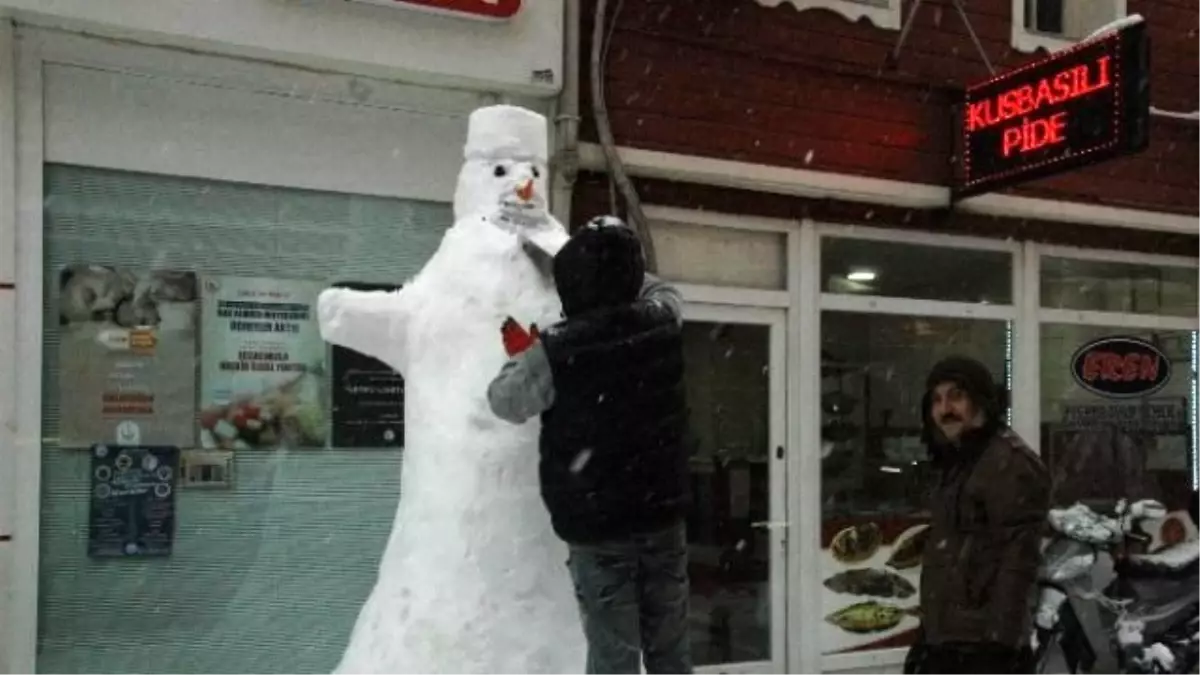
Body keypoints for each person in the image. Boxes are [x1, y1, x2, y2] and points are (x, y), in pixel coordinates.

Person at [487, 215, 692, 675]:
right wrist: (621, 269)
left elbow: (504, 401)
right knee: (671, 654)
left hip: (599, 529)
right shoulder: (662, 322)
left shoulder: (559, 348)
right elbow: (665, 293)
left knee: (613, 659)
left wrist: (527, 354)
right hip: (663, 519)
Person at [904, 356, 1051, 675]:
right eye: (938, 399)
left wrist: (1000, 647)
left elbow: (1019, 560)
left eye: (957, 396)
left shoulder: (1007, 464)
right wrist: (928, 636)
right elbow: (951, 556)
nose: (945, 409)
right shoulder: (957, 461)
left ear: (981, 401)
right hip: (949, 641)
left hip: (984, 648)